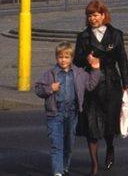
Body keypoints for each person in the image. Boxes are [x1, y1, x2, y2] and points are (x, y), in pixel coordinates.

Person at [75, 0, 128, 175]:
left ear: (104, 15)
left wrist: (126, 84)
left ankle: (110, 147)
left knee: (109, 123)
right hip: (91, 84)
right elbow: (76, 60)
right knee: (91, 125)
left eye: (96, 15)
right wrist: (88, 60)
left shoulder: (115, 35)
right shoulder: (83, 36)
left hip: (111, 83)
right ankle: (94, 164)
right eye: (90, 15)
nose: (93, 19)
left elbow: (122, 59)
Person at [34, 42, 101, 176]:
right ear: (56, 58)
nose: (63, 60)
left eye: (66, 57)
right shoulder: (50, 73)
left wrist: (96, 69)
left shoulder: (78, 73)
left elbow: (90, 85)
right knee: (56, 144)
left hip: (72, 113)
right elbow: (38, 89)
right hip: (55, 113)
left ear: (71, 58)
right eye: (60, 57)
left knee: (69, 144)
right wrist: (50, 89)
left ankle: (64, 167)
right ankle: (58, 172)